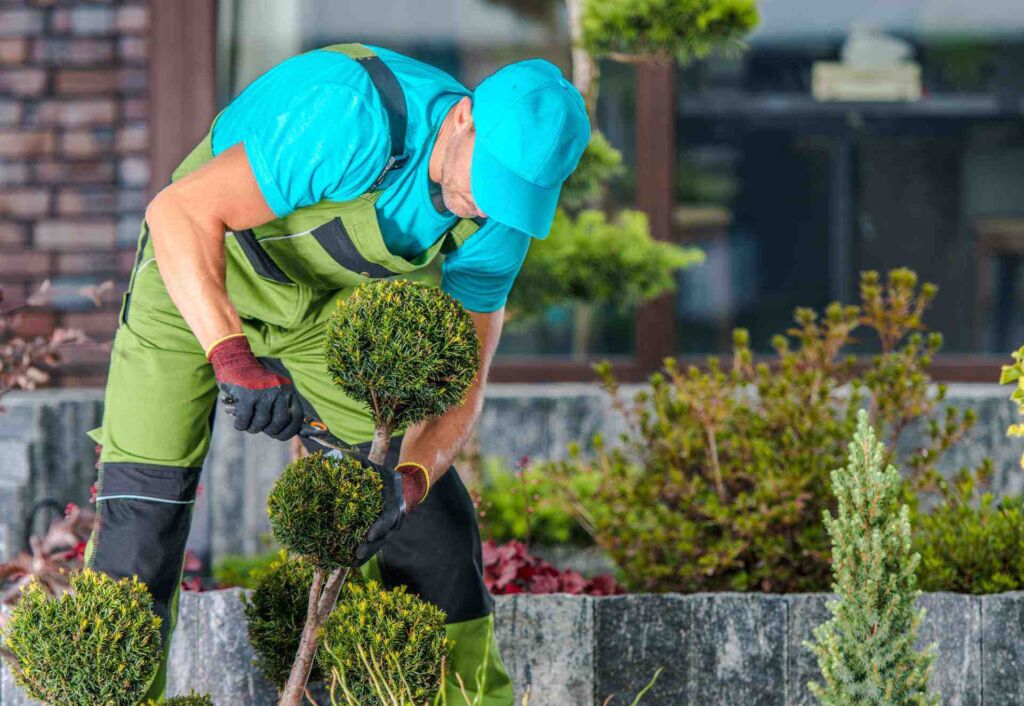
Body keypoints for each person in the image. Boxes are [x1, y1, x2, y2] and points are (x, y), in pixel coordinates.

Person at [84, 42, 590, 703]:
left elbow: (463, 385)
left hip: (324, 311)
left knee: (428, 516)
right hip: (196, 273)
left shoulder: (497, 223)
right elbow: (178, 212)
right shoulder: (352, 116)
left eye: (512, 196)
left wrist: (408, 480)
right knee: (142, 514)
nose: (486, 206)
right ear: (463, 117)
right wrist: (233, 356)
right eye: (486, 179)